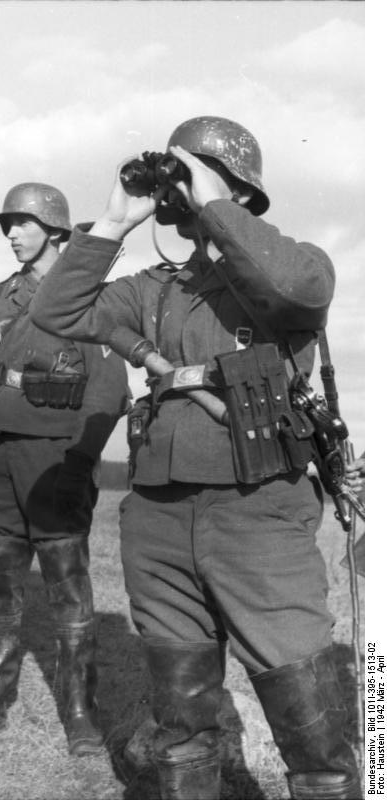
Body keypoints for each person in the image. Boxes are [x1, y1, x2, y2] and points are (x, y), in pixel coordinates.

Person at [32, 118, 361, 799]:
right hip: (157, 518)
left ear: (239, 191)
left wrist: (214, 201)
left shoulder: (292, 272)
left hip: (258, 516)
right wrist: (114, 223)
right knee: (181, 723)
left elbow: (296, 288)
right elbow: (56, 313)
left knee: (310, 724)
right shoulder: (153, 288)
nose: (180, 190)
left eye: (196, 176)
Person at [0, 183, 129, 756]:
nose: (11, 234)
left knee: (68, 591)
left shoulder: (90, 294)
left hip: (54, 458)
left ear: (55, 229)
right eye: (7, 226)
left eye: (22, 223)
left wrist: (80, 461)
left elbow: (109, 388)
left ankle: (80, 710)